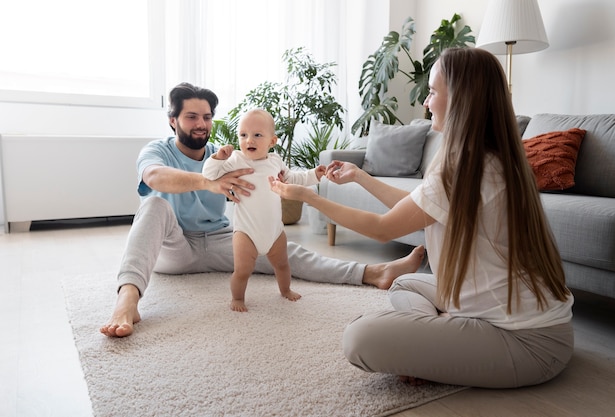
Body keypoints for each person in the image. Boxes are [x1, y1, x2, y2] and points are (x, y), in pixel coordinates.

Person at [269, 48, 574, 389]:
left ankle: (436, 340)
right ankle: (440, 335)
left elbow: (384, 229)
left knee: (359, 338)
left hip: (526, 343)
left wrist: (311, 197)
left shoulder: (465, 166)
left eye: (432, 92)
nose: (426, 103)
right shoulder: (485, 158)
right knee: (403, 284)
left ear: (460, 99)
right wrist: (361, 177)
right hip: (537, 326)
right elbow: (421, 207)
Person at [100, 82, 423, 337]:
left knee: (284, 251)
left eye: (207, 117)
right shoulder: (158, 150)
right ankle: (127, 301)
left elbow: (282, 174)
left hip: (219, 239)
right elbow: (155, 177)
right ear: (173, 120)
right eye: (191, 117)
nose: (201, 124)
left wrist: (312, 176)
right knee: (154, 205)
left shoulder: (227, 153)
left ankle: (373, 273)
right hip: (175, 248)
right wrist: (209, 182)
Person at [202, 109, 325, 312]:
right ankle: (238, 298)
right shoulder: (236, 159)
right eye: (243, 135)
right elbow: (209, 174)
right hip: (246, 232)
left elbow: (293, 179)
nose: (249, 140)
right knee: (242, 270)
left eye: (257, 135)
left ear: (272, 141)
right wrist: (218, 157)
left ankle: (285, 290)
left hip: (275, 231)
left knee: (283, 265)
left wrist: (314, 174)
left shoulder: (275, 161)